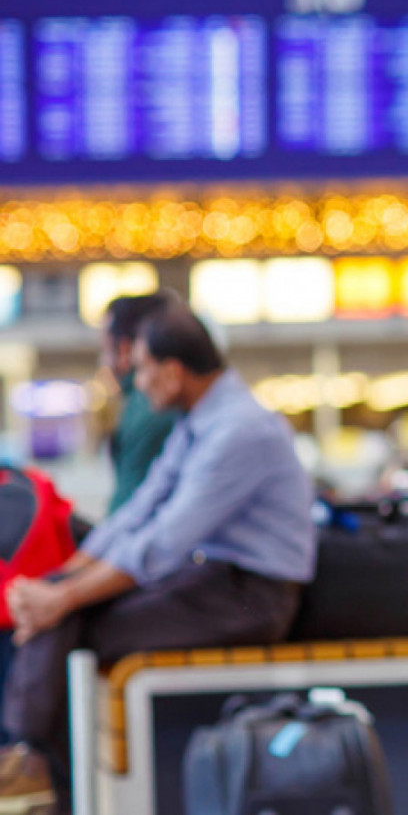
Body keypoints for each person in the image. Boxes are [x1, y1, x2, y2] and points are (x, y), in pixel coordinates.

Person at [0, 303, 316, 813]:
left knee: (73, 625)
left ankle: (29, 762)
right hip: (211, 582)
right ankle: (30, 763)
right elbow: (138, 513)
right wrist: (59, 580)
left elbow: (164, 542)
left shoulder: (240, 429)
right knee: (63, 613)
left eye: (143, 367)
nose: (137, 380)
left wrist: (62, 598)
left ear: (172, 370)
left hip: (253, 598)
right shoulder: (199, 421)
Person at [100, 291, 180, 513]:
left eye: (105, 349)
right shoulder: (147, 404)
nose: (104, 361)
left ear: (125, 349)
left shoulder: (149, 407)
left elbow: (128, 504)